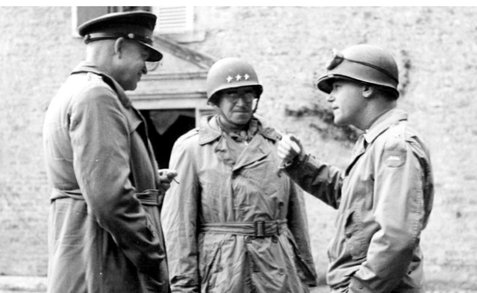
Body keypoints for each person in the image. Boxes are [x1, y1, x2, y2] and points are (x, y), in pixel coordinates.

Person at [277, 44, 434, 292]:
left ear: (367, 88)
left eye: (337, 87)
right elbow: (349, 196)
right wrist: (300, 163)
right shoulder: (374, 143)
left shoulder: (394, 146)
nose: (329, 97)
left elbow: (396, 239)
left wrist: (359, 289)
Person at [43, 11, 176, 293]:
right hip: (104, 261)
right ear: (118, 48)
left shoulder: (74, 90)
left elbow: (88, 176)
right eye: (143, 56)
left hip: (84, 255)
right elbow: (110, 198)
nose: (144, 69)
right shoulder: (97, 96)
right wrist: (153, 257)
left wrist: (148, 179)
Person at [162, 57, 318, 292]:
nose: (242, 102)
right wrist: (183, 285)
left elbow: (297, 216)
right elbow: (179, 224)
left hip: (278, 265)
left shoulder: (278, 143)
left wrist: (305, 273)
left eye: (248, 94)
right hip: (224, 268)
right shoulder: (192, 148)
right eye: (232, 94)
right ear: (216, 101)